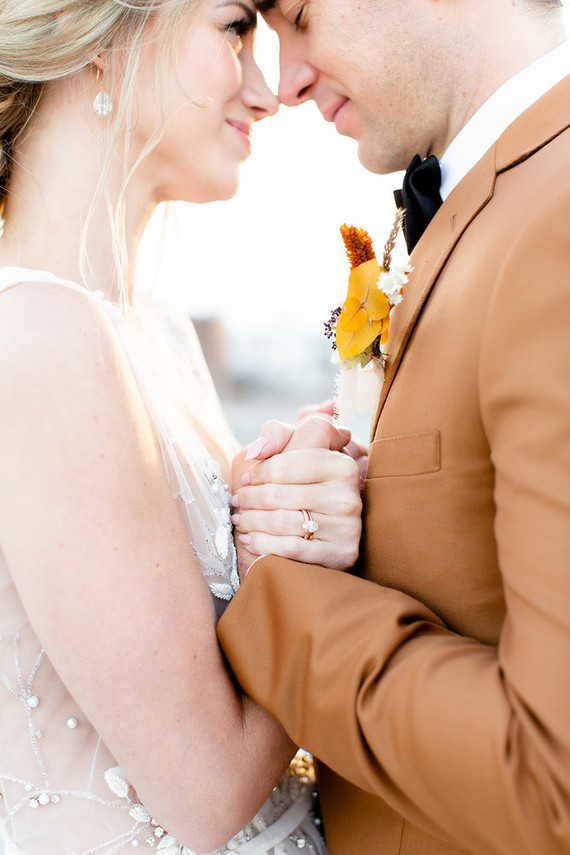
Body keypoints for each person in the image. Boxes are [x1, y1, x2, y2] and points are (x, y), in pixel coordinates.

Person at [0, 2, 363, 853]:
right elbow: (211, 789)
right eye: (235, 27)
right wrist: (304, 546)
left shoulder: (146, 324)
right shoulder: (41, 338)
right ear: (101, 39)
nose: (269, 91)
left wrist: (278, 493)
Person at [217, 1, 570, 853]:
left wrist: (274, 589)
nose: (289, 80)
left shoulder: (556, 220)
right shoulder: (485, 205)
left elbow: (551, 776)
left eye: (299, 16)